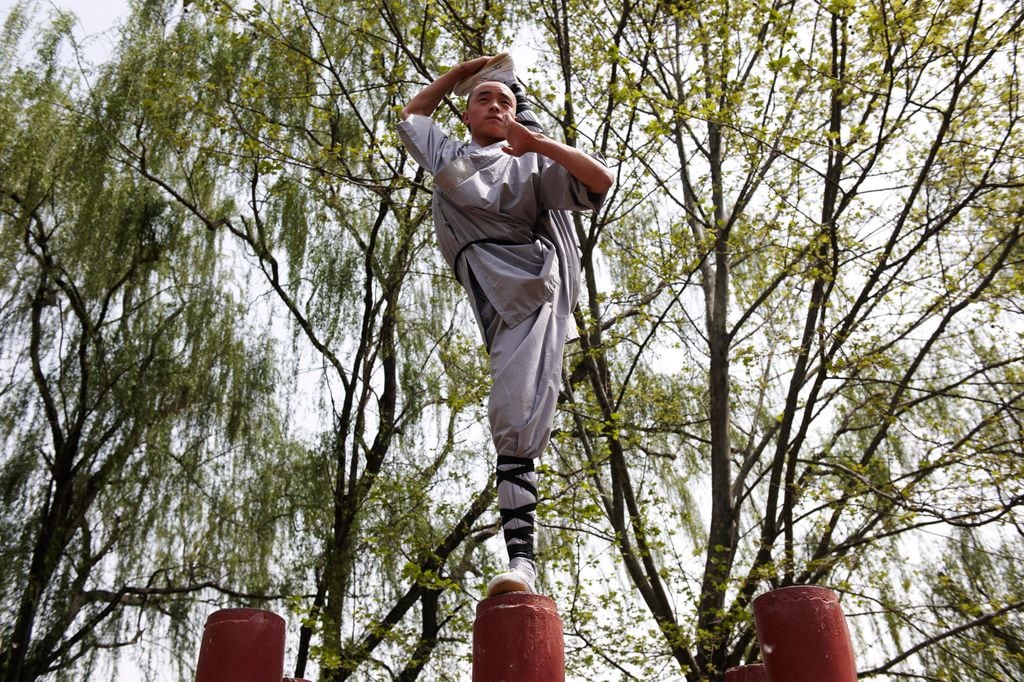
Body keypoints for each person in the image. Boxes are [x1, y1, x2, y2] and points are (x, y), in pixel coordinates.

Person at [398, 54, 613, 597]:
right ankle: (522, 558)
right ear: (466, 114)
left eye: (507, 101)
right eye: (483, 100)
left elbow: (600, 178)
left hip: (530, 289)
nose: (495, 106)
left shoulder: (530, 164)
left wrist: (536, 142)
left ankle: (523, 560)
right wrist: (461, 73)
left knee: (514, 412)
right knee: (510, 405)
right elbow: (414, 112)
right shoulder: (448, 154)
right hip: (488, 289)